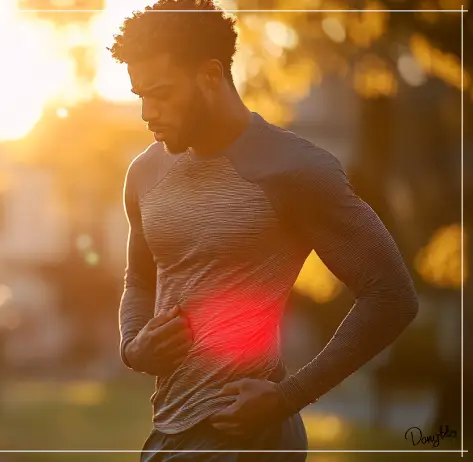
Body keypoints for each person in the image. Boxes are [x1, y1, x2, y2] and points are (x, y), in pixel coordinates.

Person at [110, 1, 419, 460]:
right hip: (168, 437)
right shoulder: (144, 174)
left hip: (250, 441)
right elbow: (139, 280)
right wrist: (134, 348)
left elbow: (391, 294)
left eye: (160, 92)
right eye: (140, 94)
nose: (146, 112)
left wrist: (290, 395)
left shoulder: (295, 169)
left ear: (210, 76)